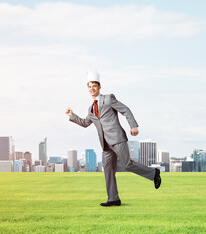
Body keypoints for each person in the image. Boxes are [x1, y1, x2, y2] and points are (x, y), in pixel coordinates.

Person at [65, 69, 161, 207]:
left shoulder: (108, 99)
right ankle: (113, 198)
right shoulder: (91, 109)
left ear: (99, 87)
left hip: (117, 138)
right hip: (105, 144)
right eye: (89, 86)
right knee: (108, 170)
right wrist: (71, 115)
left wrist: (133, 125)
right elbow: (85, 123)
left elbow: (125, 110)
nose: (92, 89)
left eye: (94, 86)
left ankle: (153, 173)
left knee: (127, 164)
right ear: (88, 88)